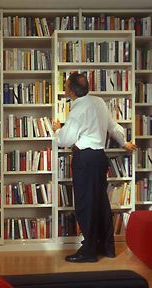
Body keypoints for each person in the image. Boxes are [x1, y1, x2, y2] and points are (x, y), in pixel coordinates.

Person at [53, 72, 136, 263]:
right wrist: (124, 143)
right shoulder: (99, 102)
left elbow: (66, 140)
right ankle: (106, 247)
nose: (65, 89)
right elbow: (113, 126)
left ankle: (89, 251)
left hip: (85, 159)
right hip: (99, 158)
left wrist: (57, 129)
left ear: (72, 91)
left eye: (66, 86)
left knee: (85, 205)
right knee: (100, 203)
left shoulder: (77, 111)